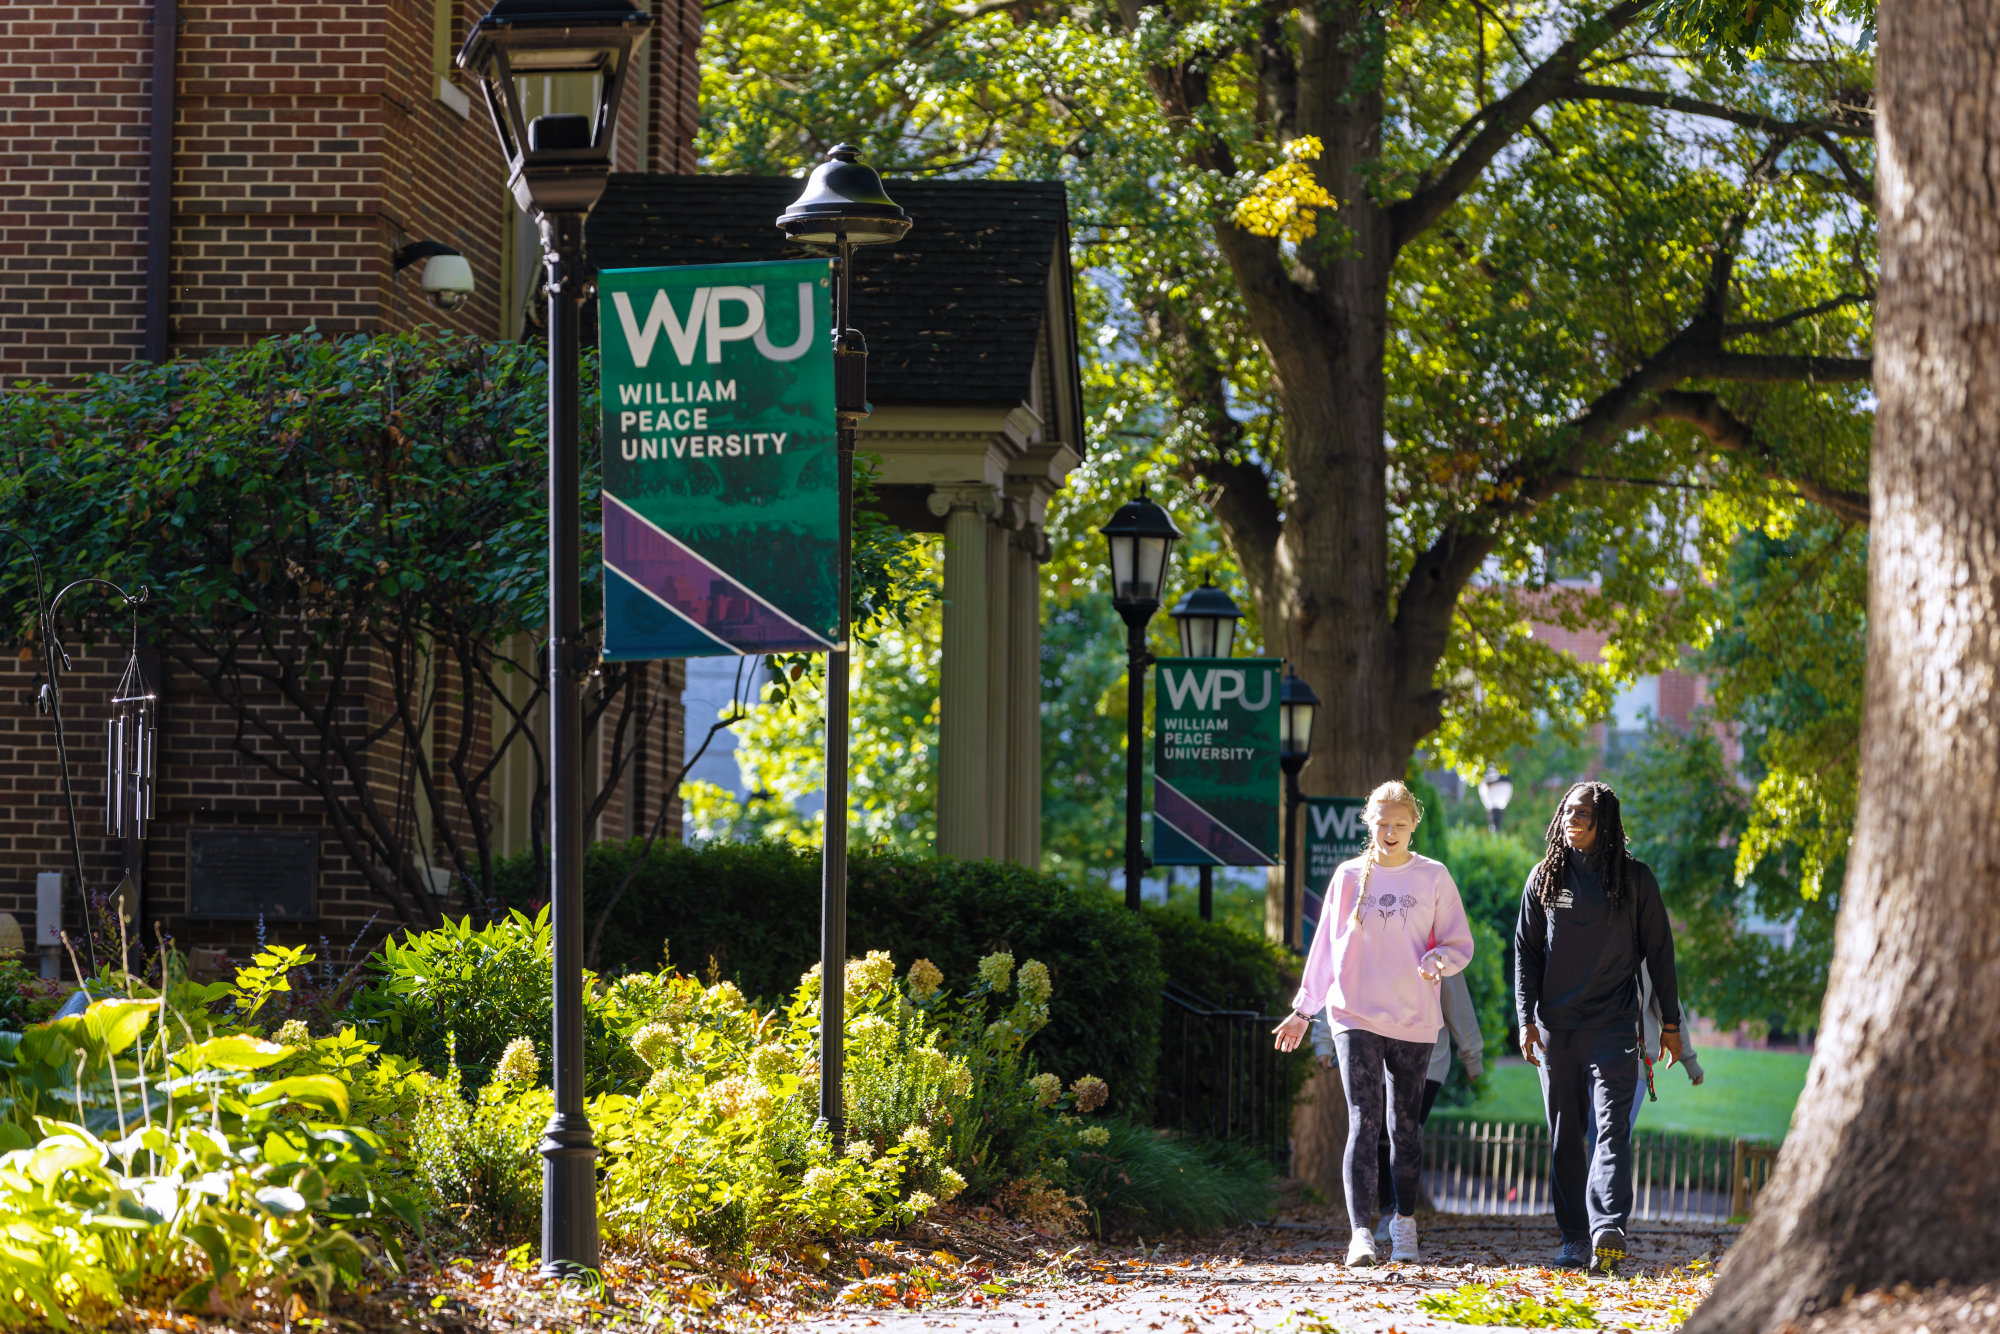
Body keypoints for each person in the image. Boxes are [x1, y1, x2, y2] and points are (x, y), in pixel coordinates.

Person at [1275, 780, 1475, 1267]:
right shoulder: (1346, 878)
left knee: (1404, 1127)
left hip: (1413, 1019)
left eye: (1400, 824)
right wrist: (1304, 1011)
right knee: (1364, 1122)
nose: (1390, 832)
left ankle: (1403, 1224)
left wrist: (1439, 961)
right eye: (1382, 823)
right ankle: (1361, 1234)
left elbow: (1459, 944)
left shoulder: (1433, 877)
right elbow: (1323, 950)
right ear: (1369, 824)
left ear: (1413, 825)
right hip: (1355, 1014)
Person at [1515, 780, 1685, 1276]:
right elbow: (1526, 954)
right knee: (1566, 1136)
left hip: (1613, 1028)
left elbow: (1661, 955)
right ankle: (1572, 1238)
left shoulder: (1635, 880)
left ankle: (1607, 1227)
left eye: (1585, 813)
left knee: (1613, 1129)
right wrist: (1526, 1019)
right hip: (1556, 1030)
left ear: (1604, 819)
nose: (1575, 819)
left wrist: (1670, 1023)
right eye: (1569, 811)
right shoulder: (1544, 879)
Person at [1311, 969, 1484, 1244]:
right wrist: (1322, 1041)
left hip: (1426, 1055)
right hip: (1373, 1053)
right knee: (1378, 1133)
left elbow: (1455, 995)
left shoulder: (1429, 932)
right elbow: (1335, 976)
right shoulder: (1360, 929)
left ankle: (1404, 1219)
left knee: (1405, 1132)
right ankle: (1387, 1213)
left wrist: (1471, 1053)